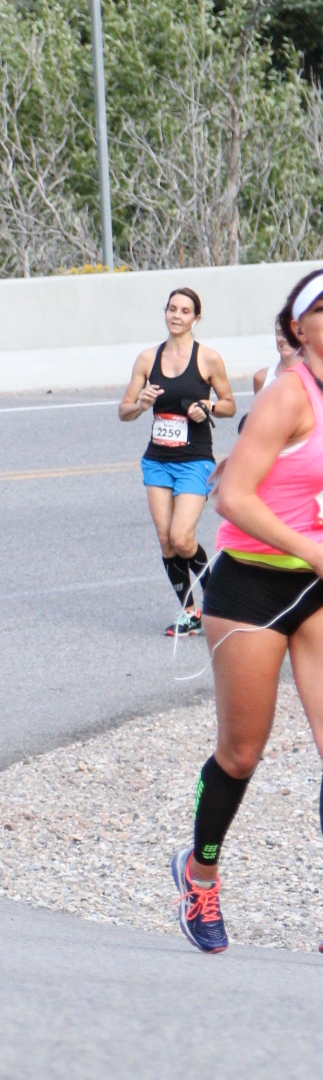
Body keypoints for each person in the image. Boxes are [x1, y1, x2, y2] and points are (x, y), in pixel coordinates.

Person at [172, 267, 323, 954]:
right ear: (298, 327)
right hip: (251, 589)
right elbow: (232, 496)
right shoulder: (288, 393)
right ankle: (200, 873)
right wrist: (312, 549)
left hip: (316, 589)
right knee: (241, 752)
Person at [119, 288, 235, 638]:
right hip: (157, 460)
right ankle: (189, 612)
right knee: (165, 540)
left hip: (195, 459)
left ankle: (217, 599)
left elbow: (229, 404)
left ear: (196, 318)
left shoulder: (208, 359)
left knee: (182, 538)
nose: (177, 316)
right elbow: (124, 411)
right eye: (172, 309)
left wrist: (208, 407)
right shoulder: (147, 359)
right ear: (165, 312)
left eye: (185, 311)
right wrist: (141, 404)